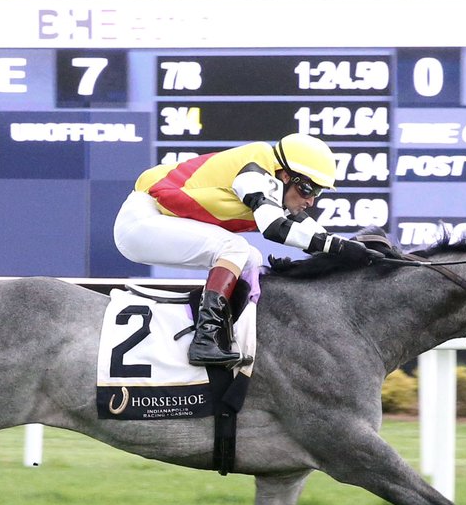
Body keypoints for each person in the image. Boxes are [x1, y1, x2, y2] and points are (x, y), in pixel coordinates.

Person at [114, 133, 365, 367]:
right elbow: (275, 228)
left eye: (317, 192)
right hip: (141, 221)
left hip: (156, 221)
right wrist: (339, 247)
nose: (311, 200)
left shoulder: (276, 184)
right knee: (234, 248)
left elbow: (310, 230)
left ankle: (226, 335)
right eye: (308, 189)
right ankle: (205, 340)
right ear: (286, 175)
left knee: (250, 258)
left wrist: (359, 251)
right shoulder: (254, 170)